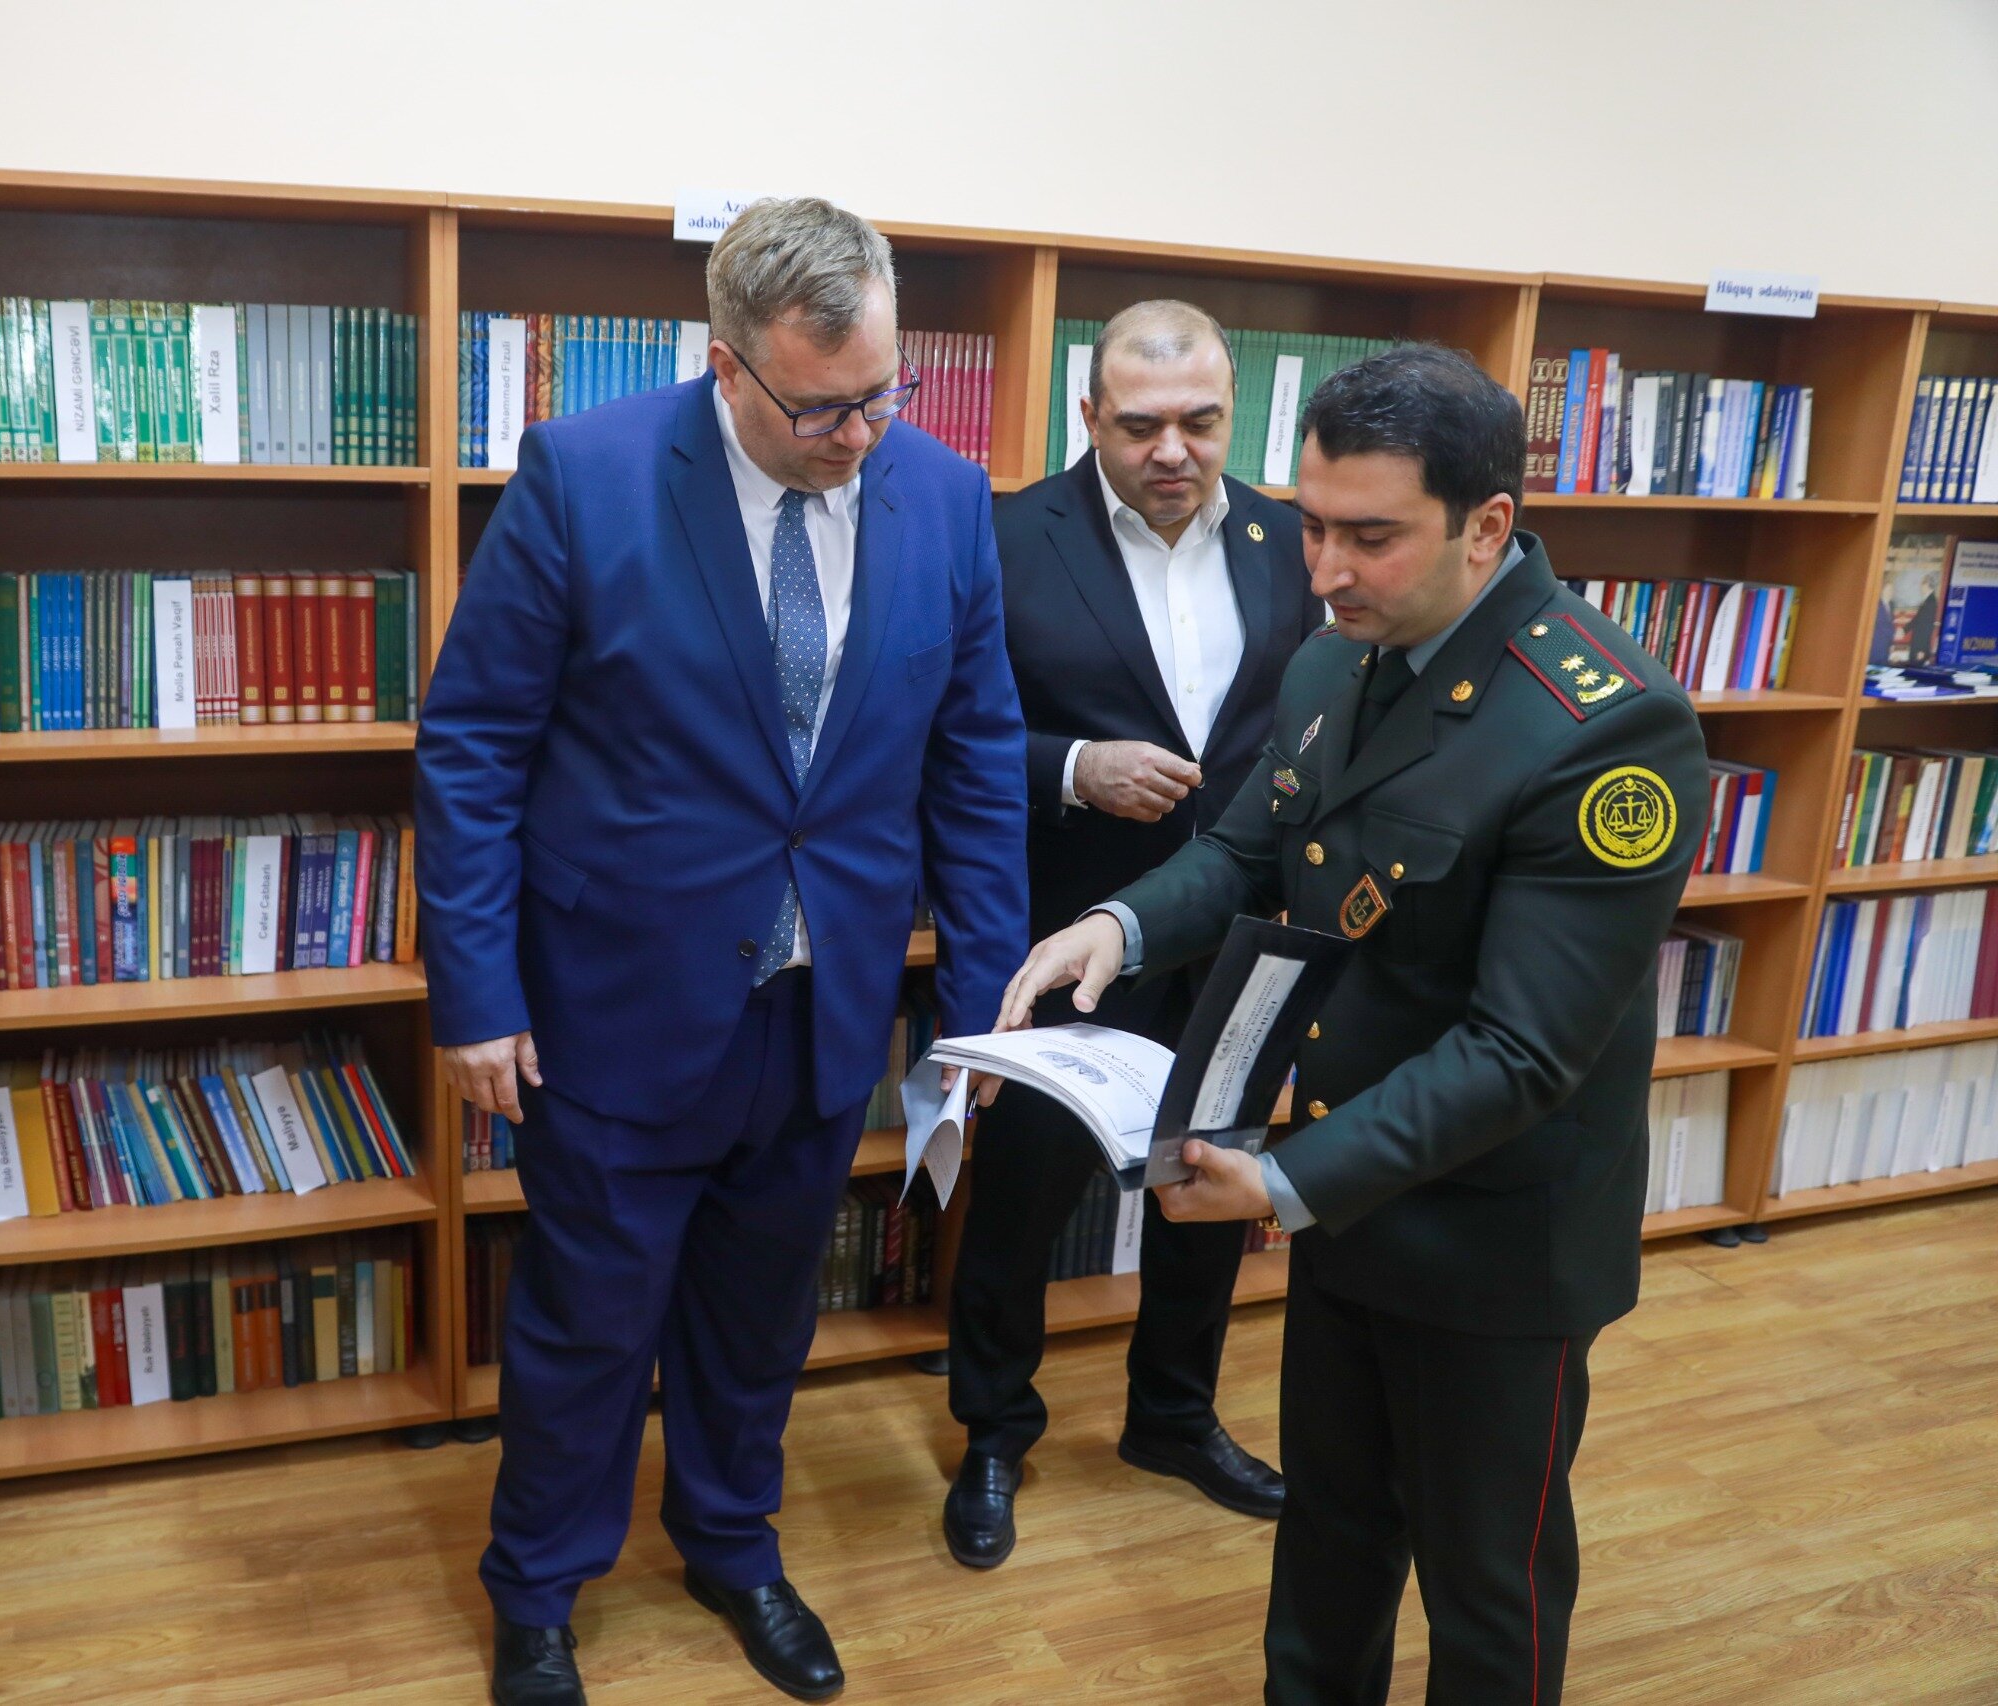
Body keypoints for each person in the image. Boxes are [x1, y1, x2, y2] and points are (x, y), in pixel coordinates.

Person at [998, 343, 1707, 1706]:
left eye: (1369, 536)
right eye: (1313, 524)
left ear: (1485, 524)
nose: (1322, 568)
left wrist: (1282, 1182)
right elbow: (1245, 849)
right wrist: (1120, 927)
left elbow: (1522, 1050)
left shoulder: (1605, 729)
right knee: (1330, 1534)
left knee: (1487, 1587)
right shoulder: (1338, 659)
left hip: (1494, 1236)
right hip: (1349, 1194)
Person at [415, 196, 1027, 1706]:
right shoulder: (587, 475)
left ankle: (731, 1543)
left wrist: (983, 1009)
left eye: (882, 394)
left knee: (761, 1314)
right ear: (725, 362)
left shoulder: (948, 498)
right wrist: (475, 991)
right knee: (588, 1325)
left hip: (825, 1004)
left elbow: (976, 762)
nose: (857, 435)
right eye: (820, 407)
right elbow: (475, 746)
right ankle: (539, 1589)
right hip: (616, 1000)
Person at [943, 300, 1320, 1567]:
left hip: (1241, 936)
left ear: (1233, 414)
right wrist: (1071, 766)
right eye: (1142, 423)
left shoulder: (1287, 540)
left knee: (1206, 1178)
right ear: (1088, 414)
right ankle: (994, 1429)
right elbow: (939, 731)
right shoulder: (1004, 538)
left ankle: (1172, 1412)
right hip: (1066, 933)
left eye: (1201, 422)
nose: (1173, 450)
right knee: (1022, 1194)